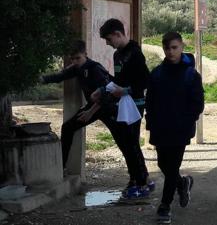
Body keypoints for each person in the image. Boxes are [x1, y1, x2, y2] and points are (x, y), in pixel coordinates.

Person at [145, 32, 204, 224]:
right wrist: (151, 122)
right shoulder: (157, 73)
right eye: (167, 48)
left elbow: (198, 103)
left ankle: (165, 206)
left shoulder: (191, 74)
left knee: (172, 166)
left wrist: (187, 121)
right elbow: (150, 101)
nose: (171, 52)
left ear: (181, 47)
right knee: (164, 164)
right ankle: (183, 182)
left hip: (180, 129)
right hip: (160, 128)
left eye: (174, 48)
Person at [92, 18, 151, 198]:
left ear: (118, 34)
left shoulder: (135, 53)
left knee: (132, 143)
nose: (108, 44)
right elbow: (118, 80)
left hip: (135, 104)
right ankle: (135, 178)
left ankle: (142, 182)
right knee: (125, 143)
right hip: (121, 104)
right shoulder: (117, 54)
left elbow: (145, 81)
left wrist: (126, 91)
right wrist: (102, 90)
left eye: (109, 39)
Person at [41, 40, 115, 169]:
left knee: (123, 141)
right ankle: (61, 167)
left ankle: (138, 178)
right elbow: (59, 76)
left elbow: (107, 94)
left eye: (78, 58)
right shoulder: (76, 68)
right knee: (68, 128)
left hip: (108, 107)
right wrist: (42, 79)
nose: (75, 61)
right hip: (93, 107)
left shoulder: (95, 68)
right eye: (72, 59)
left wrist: (90, 112)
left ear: (85, 54)